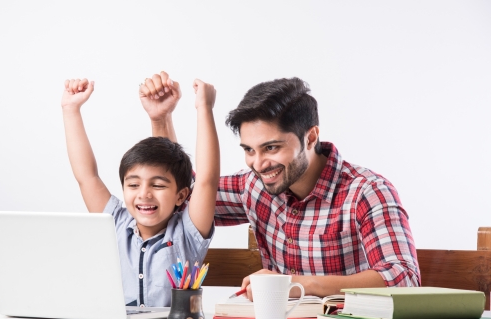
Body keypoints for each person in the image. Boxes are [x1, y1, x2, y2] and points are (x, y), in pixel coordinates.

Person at [144, 75, 420, 300]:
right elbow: (181, 195)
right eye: (249, 150)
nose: (259, 163)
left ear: (310, 137)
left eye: (271, 147)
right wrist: (161, 120)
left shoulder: (367, 191)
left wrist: (298, 284)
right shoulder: (252, 185)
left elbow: (403, 278)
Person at [61, 73, 219, 306]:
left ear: (181, 195)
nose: (144, 193)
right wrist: (70, 109)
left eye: (157, 185)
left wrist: (204, 108)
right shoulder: (115, 221)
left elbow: (206, 180)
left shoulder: (187, 233)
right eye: (133, 184)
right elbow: (87, 176)